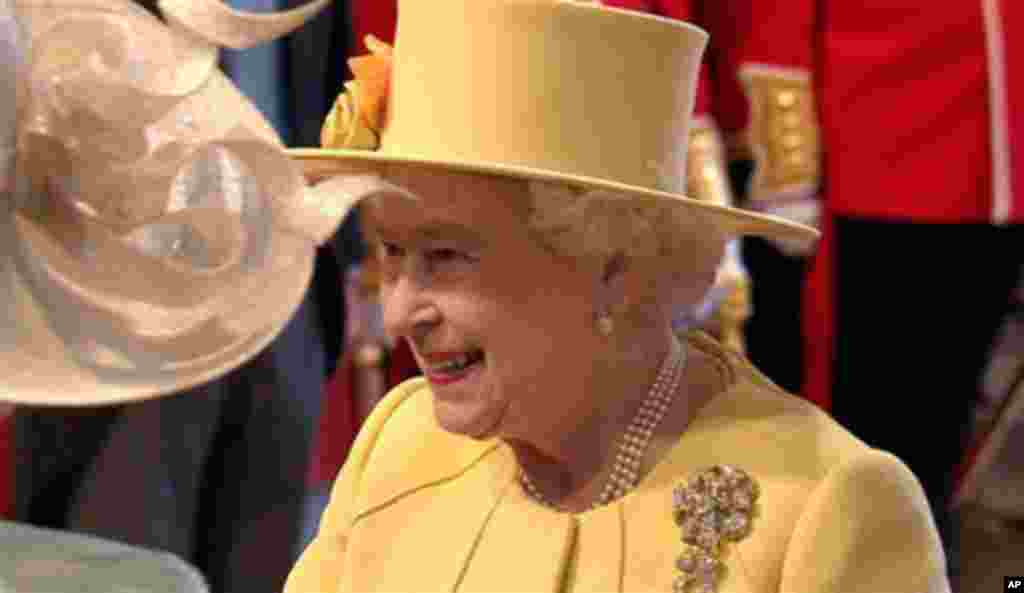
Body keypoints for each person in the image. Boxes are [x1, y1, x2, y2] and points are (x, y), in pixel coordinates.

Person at [284, 2, 950, 591]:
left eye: (447, 257)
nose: (400, 313)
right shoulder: (401, 438)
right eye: (391, 253)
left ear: (614, 266)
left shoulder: (827, 509)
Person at [0, 0, 346, 590]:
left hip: (290, 285)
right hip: (126, 296)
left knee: (261, 541)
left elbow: (321, 87)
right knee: (129, 539)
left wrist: (359, 256)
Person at [735, 0, 1024, 579]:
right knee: (877, 421)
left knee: (949, 419)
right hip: (884, 162)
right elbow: (774, 17)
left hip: (998, 173)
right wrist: (788, 162)